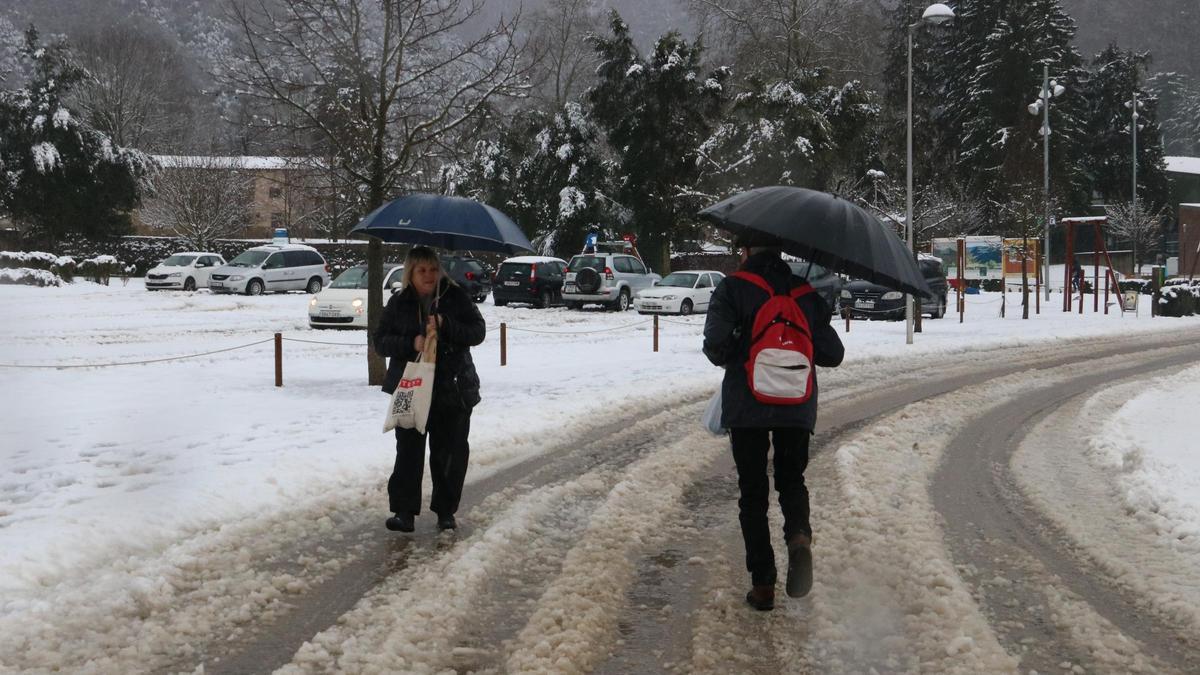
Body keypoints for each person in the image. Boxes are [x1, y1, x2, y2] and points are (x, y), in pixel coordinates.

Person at [702, 236, 845, 611]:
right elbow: (833, 354)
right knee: (791, 480)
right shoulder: (805, 293)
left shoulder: (733, 288)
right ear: (779, 253)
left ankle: (763, 584)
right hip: (796, 404)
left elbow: (714, 347)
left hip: (747, 404)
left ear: (746, 251)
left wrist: (747, 344)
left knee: (753, 493)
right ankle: (798, 538)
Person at [373, 246, 486, 533]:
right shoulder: (399, 302)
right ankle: (404, 512)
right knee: (408, 453)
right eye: (422, 270)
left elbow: (477, 332)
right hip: (411, 388)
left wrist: (446, 325)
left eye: (433, 269)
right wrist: (412, 343)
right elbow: (381, 341)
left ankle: (445, 512)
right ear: (410, 272)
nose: (429, 275)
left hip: (453, 389)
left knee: (449, 454)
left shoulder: (455, 296)